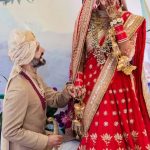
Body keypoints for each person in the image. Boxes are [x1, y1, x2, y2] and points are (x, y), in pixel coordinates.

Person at [69, 0, 150, 149]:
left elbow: (128, 53)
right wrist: (79, 82)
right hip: (91, 92)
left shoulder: (130, 19)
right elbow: (79, 57)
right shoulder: (86, 20)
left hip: (119, 92)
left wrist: (115, 20)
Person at [1, 29, 77, 150]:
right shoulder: (18, 88)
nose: (43, 50)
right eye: (37, 49)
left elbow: (54, 99)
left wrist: (67, 92)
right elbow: (10, 131)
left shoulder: (33, 77)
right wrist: (46, 140)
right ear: (27, 54)